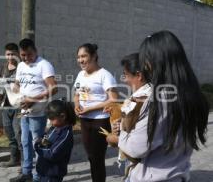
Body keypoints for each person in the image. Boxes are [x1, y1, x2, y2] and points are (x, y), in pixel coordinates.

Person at [118, 31, 209, 182]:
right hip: (178, 173)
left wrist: (121, 134)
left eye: (145, 60)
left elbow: (135, 149)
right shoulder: (193, 95)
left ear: (154, 62)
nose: (144, 66)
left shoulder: (160, 100)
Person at [10, 38, 57, 182]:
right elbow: (18, 85)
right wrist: (14, 94)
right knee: (25, 141)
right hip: (24, 111)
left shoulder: (44, 65)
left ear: (35, 51)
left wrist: (33, 99)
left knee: (37, 143)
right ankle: (26, 172)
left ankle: (39, 175)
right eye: (23, 55)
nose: (26, 58)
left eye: (29, 54)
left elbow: (54, 88)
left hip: (38, 111)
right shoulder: (21, 66)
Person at [73, 43, 118, 182]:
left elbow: (114, 99)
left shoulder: (104, 75)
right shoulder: (81, 74)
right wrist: (76, 105)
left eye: (84, 56)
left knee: (97, 157)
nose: (81, 60)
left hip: (100, 120)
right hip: (85, 120)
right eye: (78, 57)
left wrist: (90, 109)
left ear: (93, 56)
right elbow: (76, 93)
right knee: (91, 157)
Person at [0, 43, 22, 168]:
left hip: (19, 105)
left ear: (18, 54)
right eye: (8, 54)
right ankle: (14, 159)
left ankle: (26, 163)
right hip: (5, 105)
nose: (10, 57)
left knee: (18, 133)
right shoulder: (3, 68)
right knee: (9, 133)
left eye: (13, 54)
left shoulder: (22, 68)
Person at [34, 99, 76, 182]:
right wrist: (41, 140)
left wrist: (37, 147)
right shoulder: (55, 127)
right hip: (43, 171)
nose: (50, 122)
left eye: (52, 119)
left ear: (63, 116)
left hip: (52, 175)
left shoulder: (66, 135)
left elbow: (52, 154)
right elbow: (46, 138)